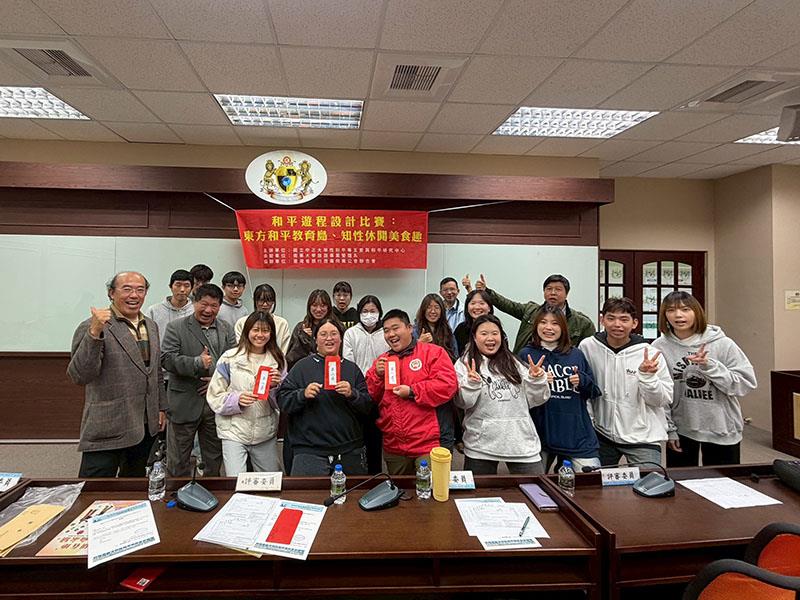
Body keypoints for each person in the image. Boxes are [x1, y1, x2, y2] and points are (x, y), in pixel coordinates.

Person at [67, 271, 166, 477]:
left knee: (133, 485)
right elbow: (80, 375)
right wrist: (94, 333)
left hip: (144, 423)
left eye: (140, 290)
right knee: (95, 487)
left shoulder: (151, 325)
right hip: (108, 424)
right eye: (127, 289)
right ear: (111, 293)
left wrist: (160, 408)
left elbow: (155, 371)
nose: (134, 295)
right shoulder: (92, 325)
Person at [652, 292, 756, 467]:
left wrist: (710, 366)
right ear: (664, 315)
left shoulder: (722, 344)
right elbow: (662, 395)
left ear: (696, 312)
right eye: (671, 310)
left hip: (722, 428)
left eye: (685, 309)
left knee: (722, 481)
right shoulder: (660, 347)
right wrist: (670, 430)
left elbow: (745, 384)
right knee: (682, 481)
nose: (678, 315)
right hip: (682, 429)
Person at [579, 297, 673, 467]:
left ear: (634, 323)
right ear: (602, 320)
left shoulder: (650, 354)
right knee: (595, 481)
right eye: (611, 318)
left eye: (624, 319)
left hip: (643, 437)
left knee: (650, 480)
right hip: (602, 434)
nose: (617, 324)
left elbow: (662, 399)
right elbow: (585, 387)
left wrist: (647, 377)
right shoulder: (588, 347)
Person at [365, 309, 458, 475]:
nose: (391, 334)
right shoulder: (382, 361)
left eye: (396, 328)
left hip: (428, 444)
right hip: (394, 445)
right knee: (399, 489)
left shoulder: (432, 352)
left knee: (429, 487)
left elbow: (448, 385)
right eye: (386, 331)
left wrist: (413, 391)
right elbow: (370, 397)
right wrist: (377, 376)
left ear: (409, 328)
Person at [455, 314, 550, 475]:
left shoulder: (515, 363)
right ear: (474, 338)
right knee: (478, 491)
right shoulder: (465, 363)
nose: (490, 338)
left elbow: (536, 400)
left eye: (495, 333)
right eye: (484, 333)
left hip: (521, 443)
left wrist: (536, 380)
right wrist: (471, 384)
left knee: (537, 488)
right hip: (480, 446)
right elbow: (462, 402)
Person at [277, 318, 372, 476]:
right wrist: (302, 394)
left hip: (349, 451)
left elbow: (368, 405)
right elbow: (282, 400)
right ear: (315, 339)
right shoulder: (301, 367)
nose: (329, 338)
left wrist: (352, 394)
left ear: (341, 338)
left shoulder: (352, 368)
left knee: (352, 492)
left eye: (334, 334)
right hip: (309, 452)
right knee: (306, 492)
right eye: (323, 334)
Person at [161, 284, 236, 477]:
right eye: (204, 304)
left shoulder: (226, 329)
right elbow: (166, 359)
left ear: (220, 306)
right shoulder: (176, 327)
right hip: (184, 402)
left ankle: (211, 491)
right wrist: (196, 362)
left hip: (215, 405)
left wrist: (217, 381)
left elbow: (235, 361)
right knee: (178, 460)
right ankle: (177, 491)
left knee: (214, 458)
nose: (208, 310)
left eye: (214, 305)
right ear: (194, 302)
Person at [519, 305, 601, 472]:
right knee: (533, 482)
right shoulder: (526, 354)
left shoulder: (576, 354)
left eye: (555, 323)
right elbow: (518, 397)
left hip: (576, 432)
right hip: (540, 432)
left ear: (563, 327)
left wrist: (582, 380)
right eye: (543, 322)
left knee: (592, 480)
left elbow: (593, 391)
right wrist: (536, 381)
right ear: (536, 326)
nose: (548, 328)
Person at [206, 311, 285, 475]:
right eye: (255, 330)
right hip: (233, 431)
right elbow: (214, 396)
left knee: (270, 480)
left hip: (265, 432)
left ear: (271, 333)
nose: (260, 335)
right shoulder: (229, 358)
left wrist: (275, 387)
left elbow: (284, 401)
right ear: (247, 331)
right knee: (236, 481)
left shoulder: (278, 360)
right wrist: (237, 400)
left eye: (265, 330)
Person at [476, 273, 596, 354]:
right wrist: (487, 292)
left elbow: (588, 353)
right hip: (528, 363)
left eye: (558, 289)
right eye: (549, 289)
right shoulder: (531, 310)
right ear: (544, 292)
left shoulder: (582, 323)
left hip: (561, 371)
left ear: (567, 293)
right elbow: (508, 305)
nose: (553, 293)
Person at [342, 295, 390, 474]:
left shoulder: (385, 333)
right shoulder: (351, 333)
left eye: (373, 311)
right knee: (356, 436)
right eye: (365, 311)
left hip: (381, 392)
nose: (369, 315)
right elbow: (348, 362)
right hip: (358, 391)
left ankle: (376, 474)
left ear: (379, 312)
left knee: (375, 438)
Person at [145, 269, 194, 387]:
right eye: (178, 285)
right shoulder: (154, 310)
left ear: (192, 288)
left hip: (188, 372)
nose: (182, 289)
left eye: (186, 286)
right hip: (159, 374)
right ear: (170, 286)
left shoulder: (196, 311)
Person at [286, 289, 335, 370]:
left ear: (328, 307)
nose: (318, 309)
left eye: (323, 305)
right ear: (309, 307)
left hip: (331, 369)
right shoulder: (300, 328)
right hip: (305, 371)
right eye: (314, 305)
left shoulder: (336, 327)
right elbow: (290, 360)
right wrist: (304, 340)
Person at [234, 283, 290, 353]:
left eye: (269, 300)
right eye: (261, 300)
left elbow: (284, 350)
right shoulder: (242, 322)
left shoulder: (282, 323)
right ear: (255, 301)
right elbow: (240, 347)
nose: (265, 304)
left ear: (273, 302)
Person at [413, 293, 458, 360]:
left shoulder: (447, 331)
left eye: (437, 308)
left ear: (442, 311)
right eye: (429, 307)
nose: (433, 311)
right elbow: (409, 358)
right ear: (423, 310)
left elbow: (455, 355)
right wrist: (419, 343)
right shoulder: (415, 330)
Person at [453, 289, 493, 356]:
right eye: (473, 303)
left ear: (489, 308)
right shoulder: (461, 329)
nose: (477, 307)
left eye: (481, 303)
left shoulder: (496, 328)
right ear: (467, 308)